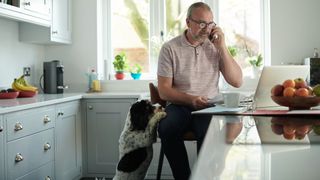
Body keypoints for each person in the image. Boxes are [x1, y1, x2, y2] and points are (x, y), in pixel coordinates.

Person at [157, 2, 243, 179]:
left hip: (208, 106)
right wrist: (190, 99)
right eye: (202, 23)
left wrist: (222, 47)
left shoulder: (216, 46)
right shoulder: (169, 48)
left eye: (211, 23)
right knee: (166, 128)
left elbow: (237, 81)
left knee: (209, 132)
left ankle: (205, 176)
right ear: (188, 23)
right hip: (179, 104)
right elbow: (164, 91)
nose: (207, 29)